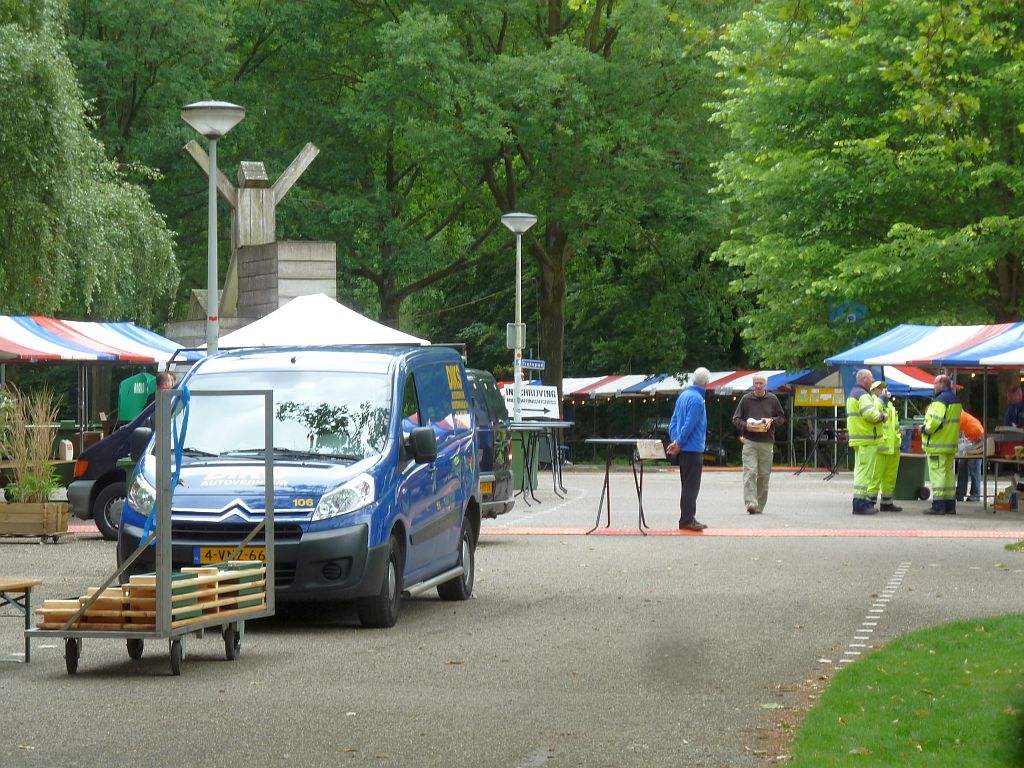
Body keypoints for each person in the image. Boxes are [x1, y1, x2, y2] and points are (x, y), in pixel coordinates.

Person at [731, 373, 785, 514]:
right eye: (756, 383)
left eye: (761, 384)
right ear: (753, 384)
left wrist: (771, 421)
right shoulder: (746, 399)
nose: (758, 386)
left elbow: (781, 418)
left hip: (767, 442)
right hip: (750, 441)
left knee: (763, 475)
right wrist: (746, 426)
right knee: (750, 472)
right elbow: (736, 419)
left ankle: (760, 505)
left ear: (766, 385)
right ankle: (751, 503)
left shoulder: (773, 399)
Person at [666, 367, 710, 532]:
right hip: (692, 448)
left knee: (686, 484)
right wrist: (680, 442)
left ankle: (688, 517)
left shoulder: (683, 395)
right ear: (706, 382)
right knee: (692, 486)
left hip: (684, 449)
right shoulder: (698, 399)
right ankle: (687, 519)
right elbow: (690, 424)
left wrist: (675, 439)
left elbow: (674, 420)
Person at [846, 368, 887, 515]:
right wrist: (882, 416)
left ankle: (859, 502)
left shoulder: (853, 394)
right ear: (864, 379)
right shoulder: (862, 395)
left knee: (861, 470)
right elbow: (870, 414)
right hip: (866, 439)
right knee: (864, 472)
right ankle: (860, 504)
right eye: (871, 378)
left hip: (859, 438)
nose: (872, 380)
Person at [922, 374, 962, 515]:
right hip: (950, 444)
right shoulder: (955, 400)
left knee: (938, 475)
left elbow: (935, 421)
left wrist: (924, 429)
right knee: (949, 475)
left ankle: (938, 505)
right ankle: (950, 505)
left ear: (942, 384)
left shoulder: (940, 401)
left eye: (935, 383)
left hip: (937, 444)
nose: (933, 386)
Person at [869, 380, 902, 512]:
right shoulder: (873, 402)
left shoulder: (890, 405)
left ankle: (887, 502)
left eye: (884, 387)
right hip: (880, 446)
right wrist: (881, 399)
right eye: (879, 388)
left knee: (890, 477)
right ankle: (869, 502)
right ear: (873, 391)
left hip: (892, 447)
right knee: (875, 476)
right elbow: (873, 414)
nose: (883, 389)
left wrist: (899, 440)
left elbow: (895, 427)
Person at [956, 410, 984, 502]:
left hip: (977, 439)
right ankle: (960, 493)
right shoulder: (957, 413)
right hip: (970, 440)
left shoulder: (957, 415)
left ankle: (975, 494)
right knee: (962, 467)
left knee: (974, 468)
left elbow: (954, 432)